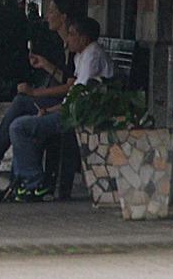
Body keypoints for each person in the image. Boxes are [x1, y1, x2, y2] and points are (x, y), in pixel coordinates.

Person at [7, 15, 114, 202]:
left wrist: (52, 110)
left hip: (80, 116)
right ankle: (22, 181)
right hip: (72, 111)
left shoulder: (92, 55)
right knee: (23, 119)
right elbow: (73, 94)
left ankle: (34, 183)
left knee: (19, 127)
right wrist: (49, 111)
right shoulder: (81, 56)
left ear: (84, 38)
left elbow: (79, 95)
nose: (68, 39)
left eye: (72, 35)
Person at [0, 0, 82, 171]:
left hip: (65, 105)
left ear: (63, 17)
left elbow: (70, 86)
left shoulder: (73, 47)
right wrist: (46, 65)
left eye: (51, 11)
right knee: (21, 105)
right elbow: (68, 78)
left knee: (22, 104)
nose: (47, 16)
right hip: (63, 101)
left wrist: (34, 93)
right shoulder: (64, 45)